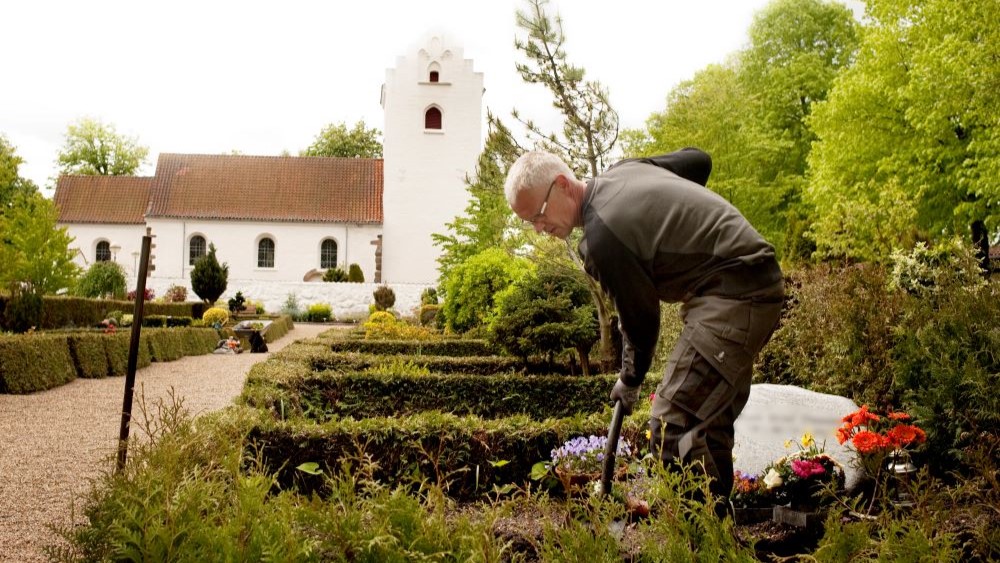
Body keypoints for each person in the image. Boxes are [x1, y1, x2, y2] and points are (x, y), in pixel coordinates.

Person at [504, 148, 784, 515]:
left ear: (562, 184)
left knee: (672, 422)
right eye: (530, 223)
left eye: (539, 215)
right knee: (705, 423)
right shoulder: (625, 171)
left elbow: (640, 319)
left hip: (734, 292)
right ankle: (714, 531)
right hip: (750, 281)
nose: (539, 229)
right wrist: (676, 212)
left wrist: (630, 378)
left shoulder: (602, 237)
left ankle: (695, 535)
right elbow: (698, 161)